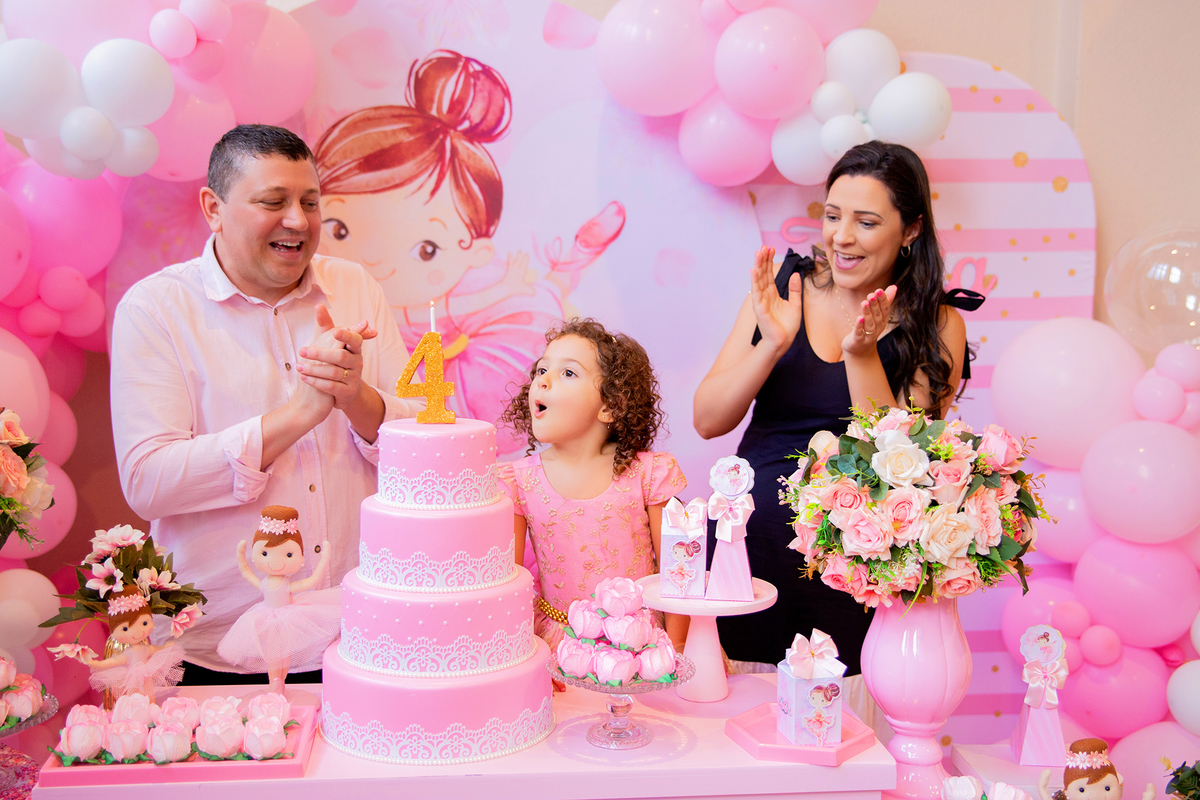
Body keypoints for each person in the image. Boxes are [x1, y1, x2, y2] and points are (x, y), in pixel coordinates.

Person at [110, 124, 422, 682]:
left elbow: (419, 449)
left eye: (309, 202)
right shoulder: (156, 310)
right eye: (272, 202)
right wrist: (299, 414)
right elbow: (147, 481)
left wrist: (355, 398)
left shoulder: (354, 288)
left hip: (357, 632)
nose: (298, 222)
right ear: (214, 207)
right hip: (215, 642)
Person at [693, 142, 971, 692]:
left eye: (866, 222)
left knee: (837, 736)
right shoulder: (785, 289)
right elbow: (707, 418)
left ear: (910, 231)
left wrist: (862, 355)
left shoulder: (937, 323)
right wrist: (770, 346)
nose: (841, 236)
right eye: (833, 215)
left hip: (855, 567)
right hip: (752, 551)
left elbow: (906, 467)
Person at [312, 50, 625, 454]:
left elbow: (463, 311)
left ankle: (574, 258)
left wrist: (509, 286)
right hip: (396, 386)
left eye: (427, 248)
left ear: (475, 251)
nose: (375, 257)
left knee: (540, 295)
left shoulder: (432, 306)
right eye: (340, 228)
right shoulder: (340, 290)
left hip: (451, 367)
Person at [498, 318, 688, 649]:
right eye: (541, 371)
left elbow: (680, 575)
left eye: (567, 373)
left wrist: (678, 653)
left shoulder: (650, 475)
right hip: (560, 646)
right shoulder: (517, 481)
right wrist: (520, 657)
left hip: (643, 645)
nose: (543, 382)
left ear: (611, 405)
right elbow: (508, 585)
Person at [217, 505, 340, 695]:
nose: (275, 562)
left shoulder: (286, 584)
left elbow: (312, 581)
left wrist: (324, 558)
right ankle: (275, 681)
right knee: (273, 653)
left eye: (289, 555)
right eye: (265, 554)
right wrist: (241, 555)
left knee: (285, 652)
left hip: (289, 616)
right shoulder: (266, 582)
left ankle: (280, 681)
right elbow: (247, 573)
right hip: (266, 617)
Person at [84, 586, 185, 703]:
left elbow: (154, 649)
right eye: (125, 629)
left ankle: (150, 707)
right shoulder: (128, 652)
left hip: (147, 674)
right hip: (132, 677)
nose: (137, 632)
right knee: (133, 695)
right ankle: (134, 709)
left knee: (148, 692)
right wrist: (99, 664)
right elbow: (115, 661)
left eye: (145, 623)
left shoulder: (144, 648)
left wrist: (164, 647)